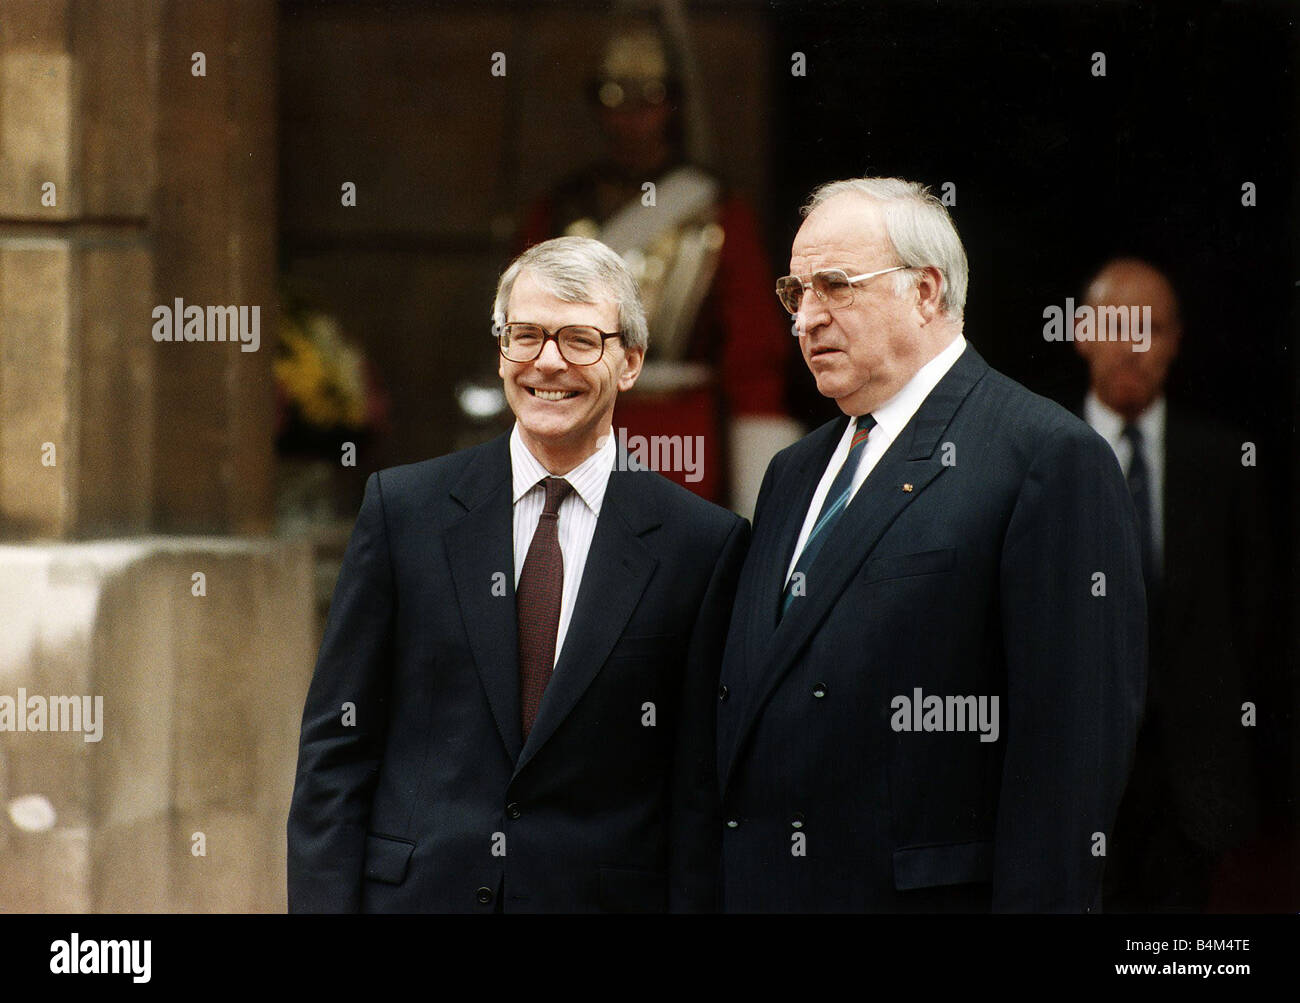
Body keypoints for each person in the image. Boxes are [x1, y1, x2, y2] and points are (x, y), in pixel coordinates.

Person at [715, 178, 1147, 912]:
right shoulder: (794, 470)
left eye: (836, 285)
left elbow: (1067, 761)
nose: (806, 318)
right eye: (796, 292)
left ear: (925, 292)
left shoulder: (1044, 456)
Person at [287, 236, 749, 913]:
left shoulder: (700, 546)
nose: (547, 361)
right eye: (525, 335)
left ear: (631, 362)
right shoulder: (403, 512)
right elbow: (337, 747)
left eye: (579, 340)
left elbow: (696, 797)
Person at [517, 21, 800, 514]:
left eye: (646, 99)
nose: (630, 117)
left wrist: (759, 477)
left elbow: (753, 352)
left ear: (671, 105)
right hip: (576, 413)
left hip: (682, 428)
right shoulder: (558, 211)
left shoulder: (714, 211)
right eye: (614, 98)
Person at [1073, 257, 1274, 911]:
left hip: (1194, 797)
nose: (1132, 344)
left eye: (1151, 327)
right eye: (1115, 323)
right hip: (1071, 787)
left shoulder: (1227, 463)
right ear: (1080, 331)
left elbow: (1259, 620)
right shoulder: (1032, 456)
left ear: (1177, 341)